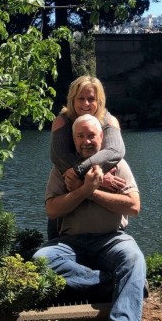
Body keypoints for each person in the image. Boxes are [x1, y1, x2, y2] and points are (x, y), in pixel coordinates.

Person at [33, 114, 146, 321]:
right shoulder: (62, 172)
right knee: (40, 260)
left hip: (112, 239)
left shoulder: (118, 165)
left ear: (102, 138)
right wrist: (84, 188)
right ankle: (112, 284)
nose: (86, 141)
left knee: (134, 259)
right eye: (80, 136)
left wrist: (90, 191)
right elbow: (52, 210)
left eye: (91, 135)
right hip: (70, 243)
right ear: (73, 141)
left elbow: (133, 207)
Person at [48, 75, 126, 239]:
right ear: (72, 100)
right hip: (66, 190)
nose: (85, 104)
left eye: (91, 99)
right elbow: (59, 156)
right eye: (80, 98)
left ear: (99, 100)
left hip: (103, 204)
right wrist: (99, 178)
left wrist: (82, 175)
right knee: (54, 250)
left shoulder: (109, 121)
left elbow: (115, 151)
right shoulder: (62, 122)